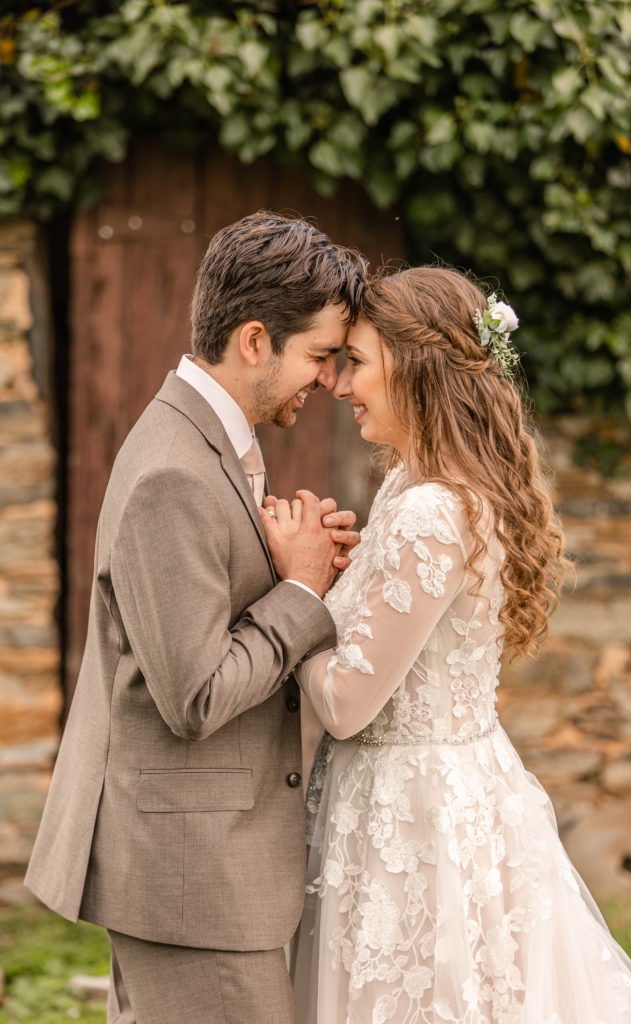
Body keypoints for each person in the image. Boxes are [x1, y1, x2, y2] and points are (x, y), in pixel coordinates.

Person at [261, 266, 631, 1023]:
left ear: (413, 371)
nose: (341, 386)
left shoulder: (431, 512)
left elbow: (348, 703)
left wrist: (300, 594)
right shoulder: (410, 485)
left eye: (358, 362)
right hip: (420, 793)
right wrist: (341, 575)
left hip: (414, 819)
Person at [25, 211, 367, 1024]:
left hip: (205, 871)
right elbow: (195, 696)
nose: (327, 380)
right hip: (191, 879)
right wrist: (304, 594)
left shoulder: (207, 444)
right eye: (318, 356)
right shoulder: (173, 474)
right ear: (254, 341)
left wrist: (295, 566)